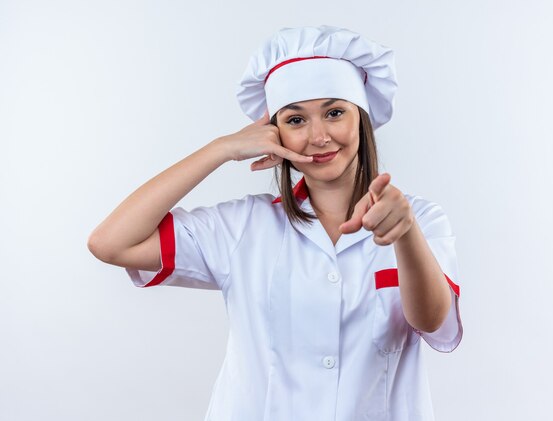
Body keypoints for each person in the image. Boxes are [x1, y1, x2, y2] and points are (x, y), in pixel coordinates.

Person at [88, 25, 463, 421]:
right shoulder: (243, 226)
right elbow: (110, 242)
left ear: (361, 120)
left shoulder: (420, 219)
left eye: (335, 113)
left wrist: (404, 236)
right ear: (275, 132)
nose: (318, 137)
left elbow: (433, 320)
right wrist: (222, 149)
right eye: (296, 120)